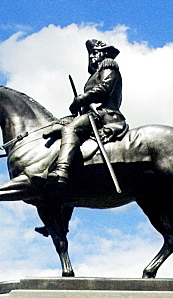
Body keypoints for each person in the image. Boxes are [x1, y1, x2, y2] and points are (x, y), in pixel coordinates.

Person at [48, 39, 128, 188]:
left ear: (104, 54)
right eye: (90, 54)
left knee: (70, 129)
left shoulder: (108, 67)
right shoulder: (96, 73)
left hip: (103, 115)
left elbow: (103, 89)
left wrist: (81, 99)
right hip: (92, 114)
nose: (92, 57)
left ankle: (62, 170)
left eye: (95, 53)